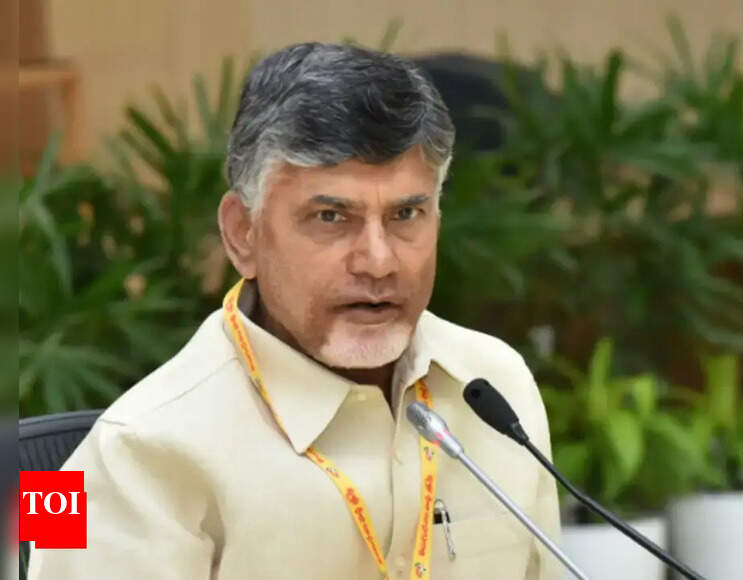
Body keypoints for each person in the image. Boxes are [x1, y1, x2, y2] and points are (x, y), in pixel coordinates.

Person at [29, 42, 560, 579]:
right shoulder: (125, 455)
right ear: (243, 233)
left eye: (405, 214)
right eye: (331, 217)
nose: (378, 261)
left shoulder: (495, 385)